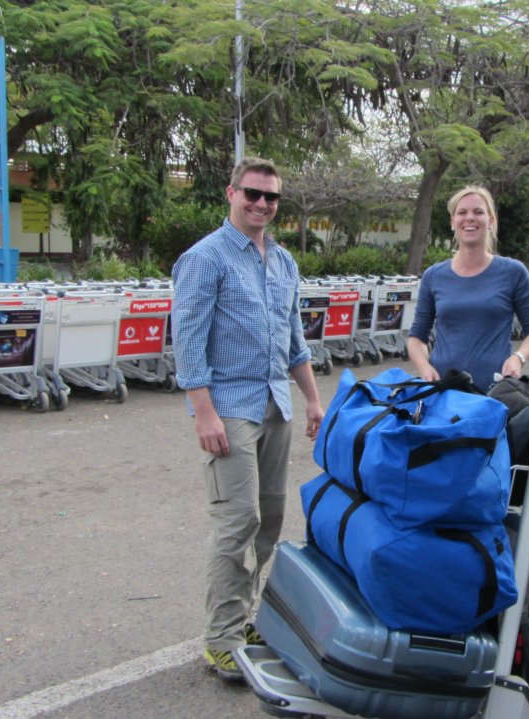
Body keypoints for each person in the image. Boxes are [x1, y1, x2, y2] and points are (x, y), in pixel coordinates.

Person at [170, 156, 324, 683]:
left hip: (275, 404)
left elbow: (293, 339)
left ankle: (245, 619)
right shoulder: (204, 258)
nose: (261, 204)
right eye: (252, 194)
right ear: (230, 193)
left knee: (270, 519)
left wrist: (311, 398)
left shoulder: (282, 262)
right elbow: (188, 343)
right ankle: (221, 638)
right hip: (229, 409)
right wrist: (203, 414)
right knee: (238, 522)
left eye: (271, 197)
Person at [407, 185, 529, 392]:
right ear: (452, 222)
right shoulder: (434, 276)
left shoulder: (513, 272)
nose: (469, 218)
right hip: (444, 390)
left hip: (494, 392)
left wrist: (519, 358)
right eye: (462, 212)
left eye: (478, 212)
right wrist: (425, 368)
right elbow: (416, 337)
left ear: (491, 221)